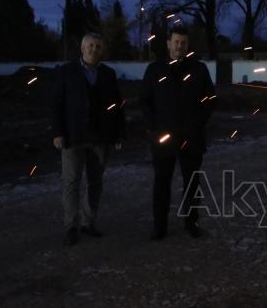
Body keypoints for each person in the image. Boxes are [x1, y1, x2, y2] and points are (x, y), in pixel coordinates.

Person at [140, 26, 215, 240]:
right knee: (162, 182)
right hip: (164, 138)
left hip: (192, 137)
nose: (179, 46)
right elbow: (145, 101)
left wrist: (197, 124)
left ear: (187, 45)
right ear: (168, 43)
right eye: (176, 42)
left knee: (192, 183)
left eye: (183, 43)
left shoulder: (199, 69)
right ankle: (160, 226)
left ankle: (192, 223)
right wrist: (155, 128)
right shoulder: (155, 69)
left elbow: (210, 99)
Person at [51, 33, 125, 246]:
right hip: (73, 136)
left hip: (100, 137)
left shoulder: (108, 74)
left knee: (95, 182)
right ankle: (71, 226)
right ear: (82, 48)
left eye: (98, 46)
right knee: (71, 182)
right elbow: (56, 104)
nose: (94, 49)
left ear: (102, 50)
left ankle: (88, 222)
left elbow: (117, 105)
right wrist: (58, 132)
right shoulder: (66, 72)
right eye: (91, 45)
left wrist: (119, 133)